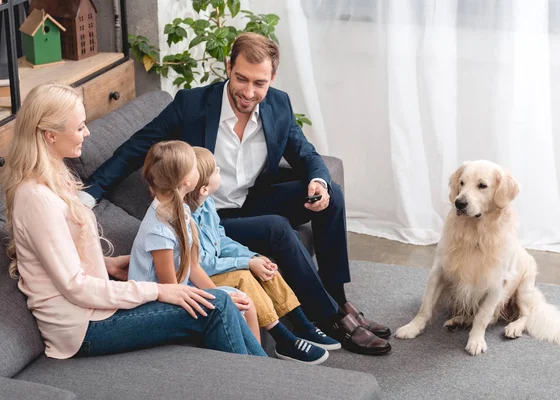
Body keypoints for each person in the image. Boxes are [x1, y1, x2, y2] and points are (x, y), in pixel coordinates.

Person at [82, 33, 391, 355]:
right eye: (241, 78)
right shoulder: (192, 104)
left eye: (259, 83)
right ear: (228, 67)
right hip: (208, 215)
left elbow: (307, 155)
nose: (248, 92)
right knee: (276, 227)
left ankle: (339, 300)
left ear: (272, 77)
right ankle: (330, 319)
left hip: (252, 200)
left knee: (332, 195)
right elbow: (135, 148)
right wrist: (90, 194)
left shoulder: (278, 104)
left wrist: (318, 183)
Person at [1, 83, 266, 359]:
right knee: (218, 306)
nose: (87, 133)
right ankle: (268, 382)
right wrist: (158, 291)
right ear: (50, 135)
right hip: (83, 328)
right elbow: (75, 286)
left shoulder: (54, 178)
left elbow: (58, 261)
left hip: (95, 309)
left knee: (223, 304)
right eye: (79, 127)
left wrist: (108, 265)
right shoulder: (36, 198)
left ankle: (268, 378)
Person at [184, 146, 339, 364]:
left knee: (263, 265)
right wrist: (245, 262)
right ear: (203, 188)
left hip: (215, 265)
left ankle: (301, 323)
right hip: (199, 278)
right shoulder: (184, 219)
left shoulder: (208, 204)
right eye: (216, 171)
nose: (220, 171)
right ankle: (282, 338)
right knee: (245, 276)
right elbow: (199, 265)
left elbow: (221, 240)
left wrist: (252, 257)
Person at [127, 140, 260, 342]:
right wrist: (219, 301)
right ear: (187, 181)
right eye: (193, 167)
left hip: (179, 293)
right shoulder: (159, 230)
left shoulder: (181, 211)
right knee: (234, 308)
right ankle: (248, 368)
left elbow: (192, 265)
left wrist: (217, 294)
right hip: (158, 305)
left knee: (244, 303)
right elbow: (169, 288)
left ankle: (257, 367)